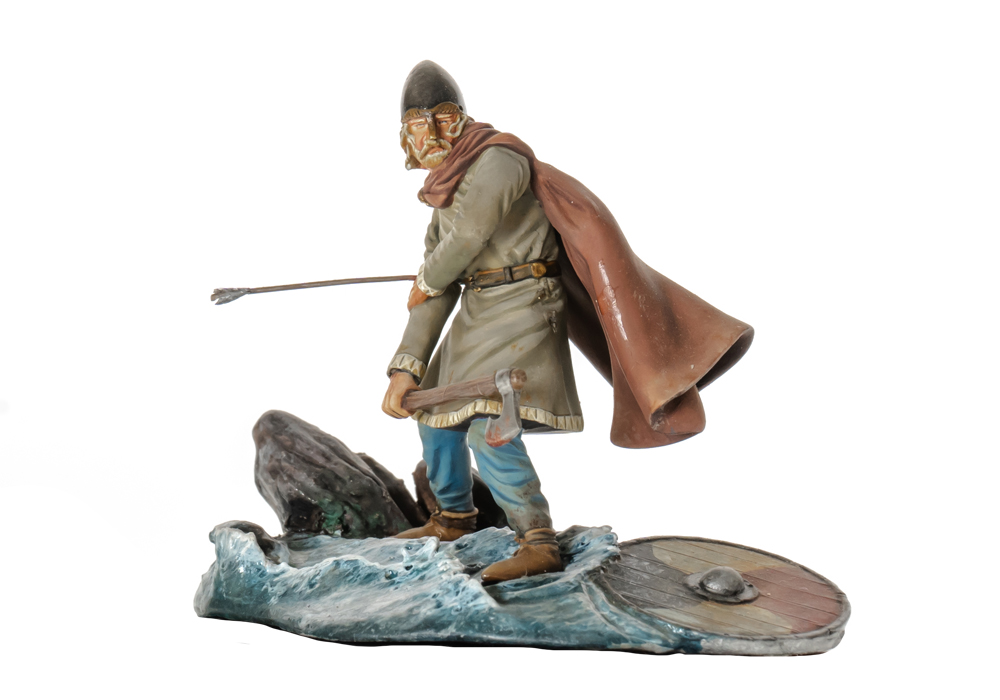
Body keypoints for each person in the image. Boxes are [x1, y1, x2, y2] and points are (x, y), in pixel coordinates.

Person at [382, 61, 753, 585]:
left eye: (443, 118)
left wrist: (429, 275)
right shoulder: (443, 199)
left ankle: (537, 541)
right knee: (433, 416)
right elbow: (436, 291)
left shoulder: (499, 159)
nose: (435, 134)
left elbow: (467, 238)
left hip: (524, 307)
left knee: (493, 425)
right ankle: (453, 518)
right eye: (420, 125)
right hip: (478, 311)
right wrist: (406, 368)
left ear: (461, 118)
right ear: (406, 137)